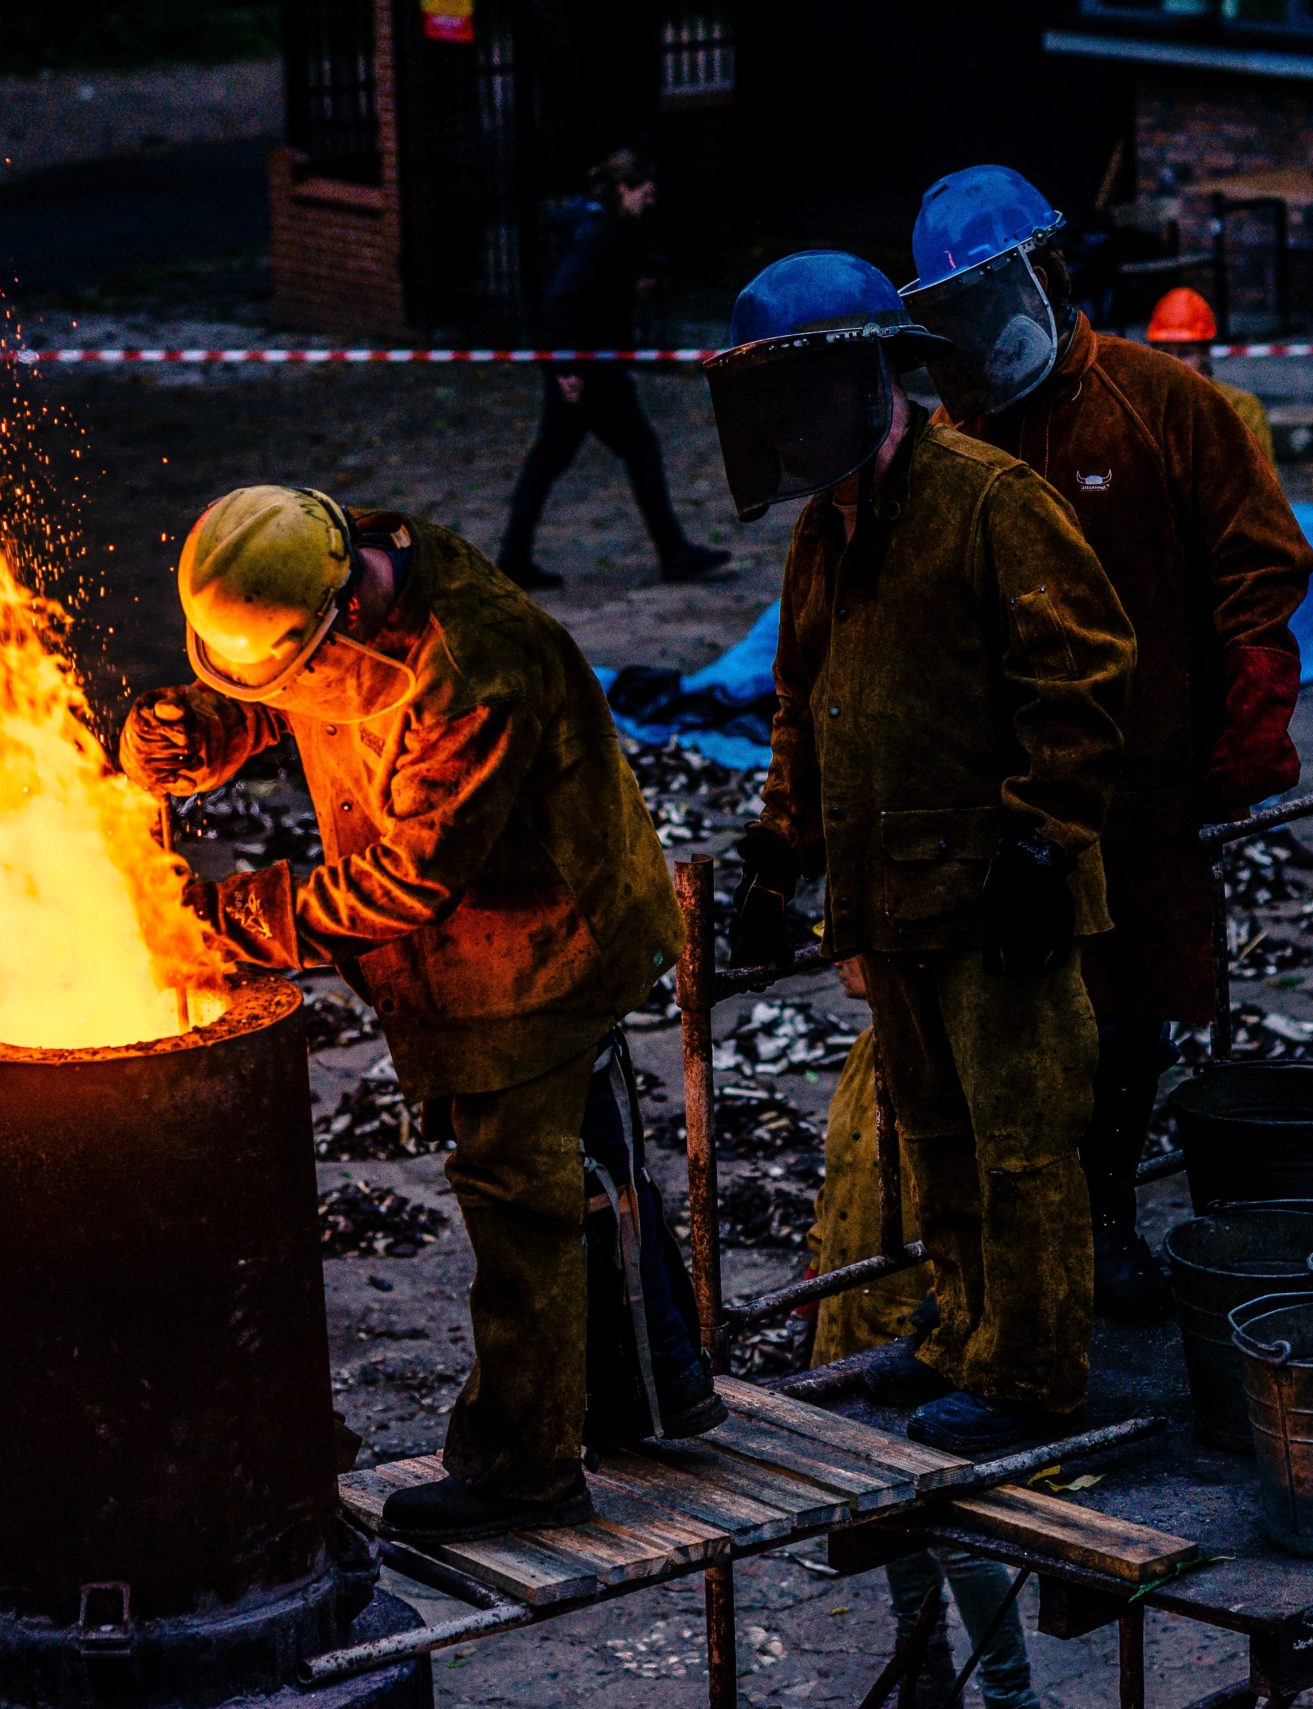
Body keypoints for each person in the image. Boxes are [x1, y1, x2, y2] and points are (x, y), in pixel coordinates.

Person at [118, 484, 719, 1543]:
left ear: (346, 609)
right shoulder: (331, 562)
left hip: (541, 949)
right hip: (487, 944)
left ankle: (525, 1469)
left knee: (519, 1192)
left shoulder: (474, 665)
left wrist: (226, 918)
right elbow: (298, 686)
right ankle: (652, 1387)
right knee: (586, 1164)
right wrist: (207, 726)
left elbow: (409, 878)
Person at [706, 249, 1135, 1452]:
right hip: (891, 893)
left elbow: (1084, 671)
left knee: (1021, 1145)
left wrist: (1044, 838)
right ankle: (962, 1333)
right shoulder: (821, 529)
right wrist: (776, 851)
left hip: (1000, 897)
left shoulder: (991, 500)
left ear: (868, 379)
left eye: (801, 396)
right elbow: (805, 702)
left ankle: (1031, 1374)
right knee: (935, 1137)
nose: (788, 425)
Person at [899, 165, 1313, 1320]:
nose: (982, 335)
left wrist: (1252, 706)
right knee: (1012, 1018)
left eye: (993, 302)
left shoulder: (1160, 403)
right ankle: (997, 1250)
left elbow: (1258, 562)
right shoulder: (954, 437)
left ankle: (1108, 1214)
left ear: (1048, 274)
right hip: (1005, 788)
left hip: (1144, 780)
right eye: (957, 317)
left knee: (1132, 1009)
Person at [807, 961, 1043, 1709]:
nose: (833, 952)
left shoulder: (951, 1057)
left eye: (851, 942)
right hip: (854, 1310)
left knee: (950, 1526)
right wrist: (815, 1274)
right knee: (886, 1509)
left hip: (920, 1317)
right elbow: (839, 1181)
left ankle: (1009, 1693)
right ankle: (924, 1661)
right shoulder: (871, 1048)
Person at [495, 147, 733, 592]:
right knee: (634, 448)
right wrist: (567, 367)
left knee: (553, 459)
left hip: (587, 365)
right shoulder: (598, 234)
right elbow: (564, 301)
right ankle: (672, 552)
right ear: (624, 188)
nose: (650, 201)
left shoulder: (601, 228)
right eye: (645, 192)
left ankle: (514, 555)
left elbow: (590, 293)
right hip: (589, 370)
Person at [1142, 285, 1274, 463]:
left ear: (1204, 354)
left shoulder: (1241, 408)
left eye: (1185, 353)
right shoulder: (1141, 411)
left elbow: (1262, 476)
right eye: (1165, 352)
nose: (1174, 362)